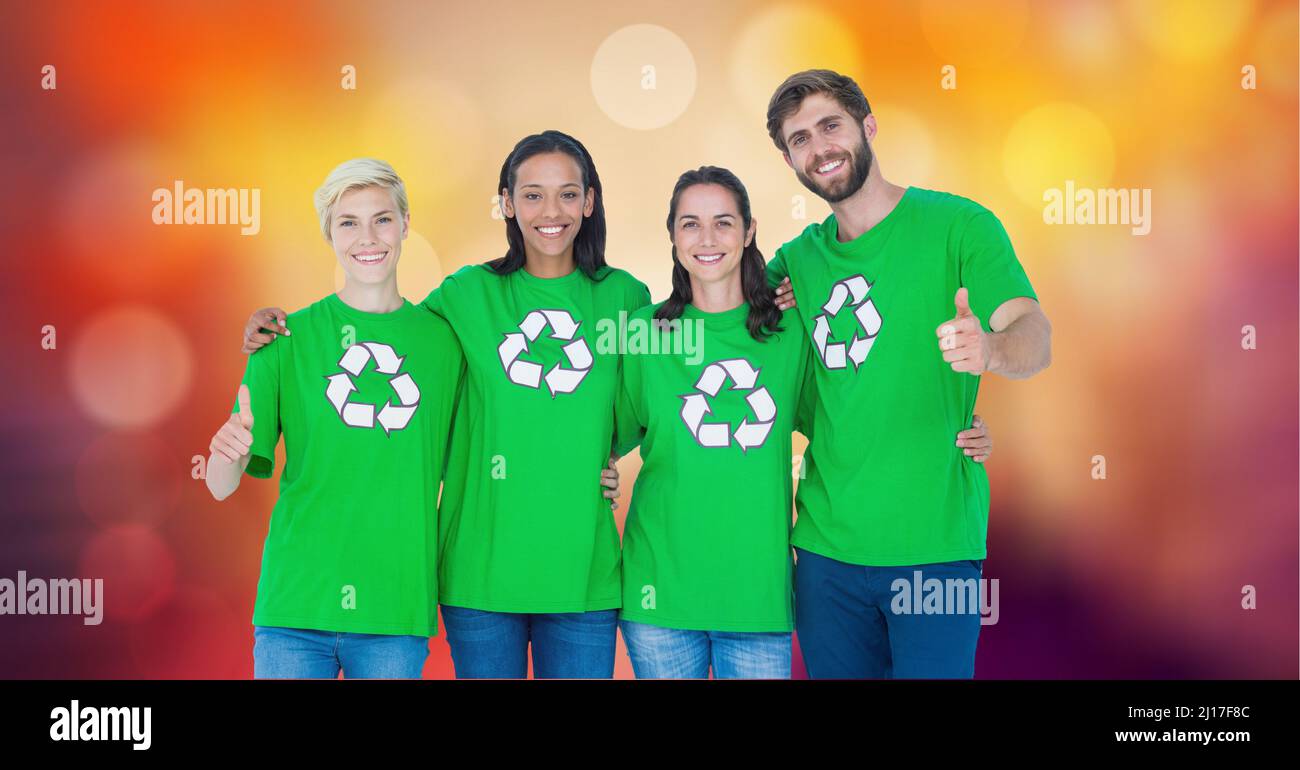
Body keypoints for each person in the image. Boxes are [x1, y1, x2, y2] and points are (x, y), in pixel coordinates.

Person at [239, 131, 640, 679]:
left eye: (568, 194)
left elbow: (648, 396)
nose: (551, 210)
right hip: (480, 570)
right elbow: (390, 333)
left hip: (583, 569)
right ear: (505, 202)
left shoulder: (626, 298)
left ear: (590, 201)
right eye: (531, 194)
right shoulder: (466, 294)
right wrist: (275, 330)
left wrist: (603, 457)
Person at [612, 166, 994, 679]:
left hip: (759, 599)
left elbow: (850, 406)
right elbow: (604, 430)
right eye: (690, 224)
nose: (707, 239)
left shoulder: (791, 331)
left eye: (724, 223)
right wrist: (599, 466)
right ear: (672, 236)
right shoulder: (644, 333)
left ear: (749, 232)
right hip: (657, 590)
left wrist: (956, 426)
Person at [765, 69, 1051, 679]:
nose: (820, 148)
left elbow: (1033, 332)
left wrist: (992, 351)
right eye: (799, 140)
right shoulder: (793, 264)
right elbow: (719, 343)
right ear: (789, 160)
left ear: (868, 126)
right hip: (824, 555)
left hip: (935, 548)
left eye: (830, 126)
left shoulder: (959, 227)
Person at [205, 158, 464, 678]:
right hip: (295, 608)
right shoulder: (283, 342)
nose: (367, 237)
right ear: (329, 233)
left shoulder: (446, 345)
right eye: (348, 222)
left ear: (406, 224)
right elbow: (219, 487)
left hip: (395, 607)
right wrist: (223, 452)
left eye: (382, 219)